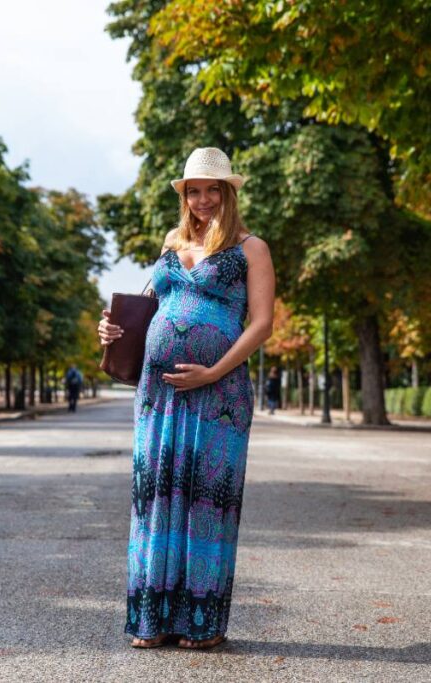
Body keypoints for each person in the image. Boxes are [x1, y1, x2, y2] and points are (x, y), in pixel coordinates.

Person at [99, 147, 275, 650]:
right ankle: (152, 620)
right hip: (160, 395)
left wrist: (213, 371)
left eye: (212, 190)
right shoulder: (171, 243)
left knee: (205, 505)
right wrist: (109, 328)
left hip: (219, 393)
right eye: (193, 190)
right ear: (184, 196)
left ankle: (200, 623)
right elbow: (145, 308)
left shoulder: (250, 248)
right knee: (155, 497)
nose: (202, 199)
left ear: (228, 193)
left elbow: (262, 324)